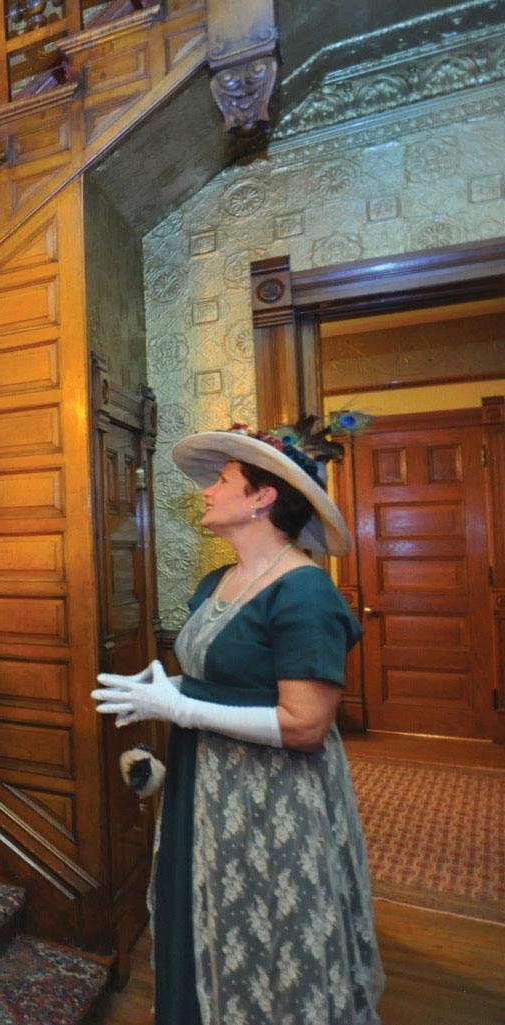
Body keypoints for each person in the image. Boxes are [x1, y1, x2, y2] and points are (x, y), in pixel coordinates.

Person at [90, 422, 383, 1025]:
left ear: (262, 497)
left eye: (222, 480)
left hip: (271, 803)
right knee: (196, 917)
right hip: (204, 789)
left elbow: (304, 724)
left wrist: (180, 710)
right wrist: (164, 689)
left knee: (268, 933)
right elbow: (220, 675)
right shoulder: (216, 580)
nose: (206, 491)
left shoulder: (305, 594)